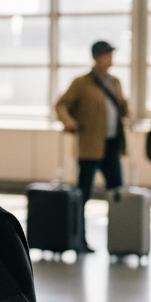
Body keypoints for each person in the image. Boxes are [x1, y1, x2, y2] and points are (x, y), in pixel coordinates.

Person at [55, 40, 131, 253]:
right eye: (106, 55)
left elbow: (122, 105)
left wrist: (128, 112)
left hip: (112, 145)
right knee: (83, 194)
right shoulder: (81, 83)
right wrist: (68, 121)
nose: (110, 59)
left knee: (117, 193)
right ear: (96, 57)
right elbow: (61, 105)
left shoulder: (114, 82)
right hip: (89, 147)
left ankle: (121, 240)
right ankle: (79, 239)